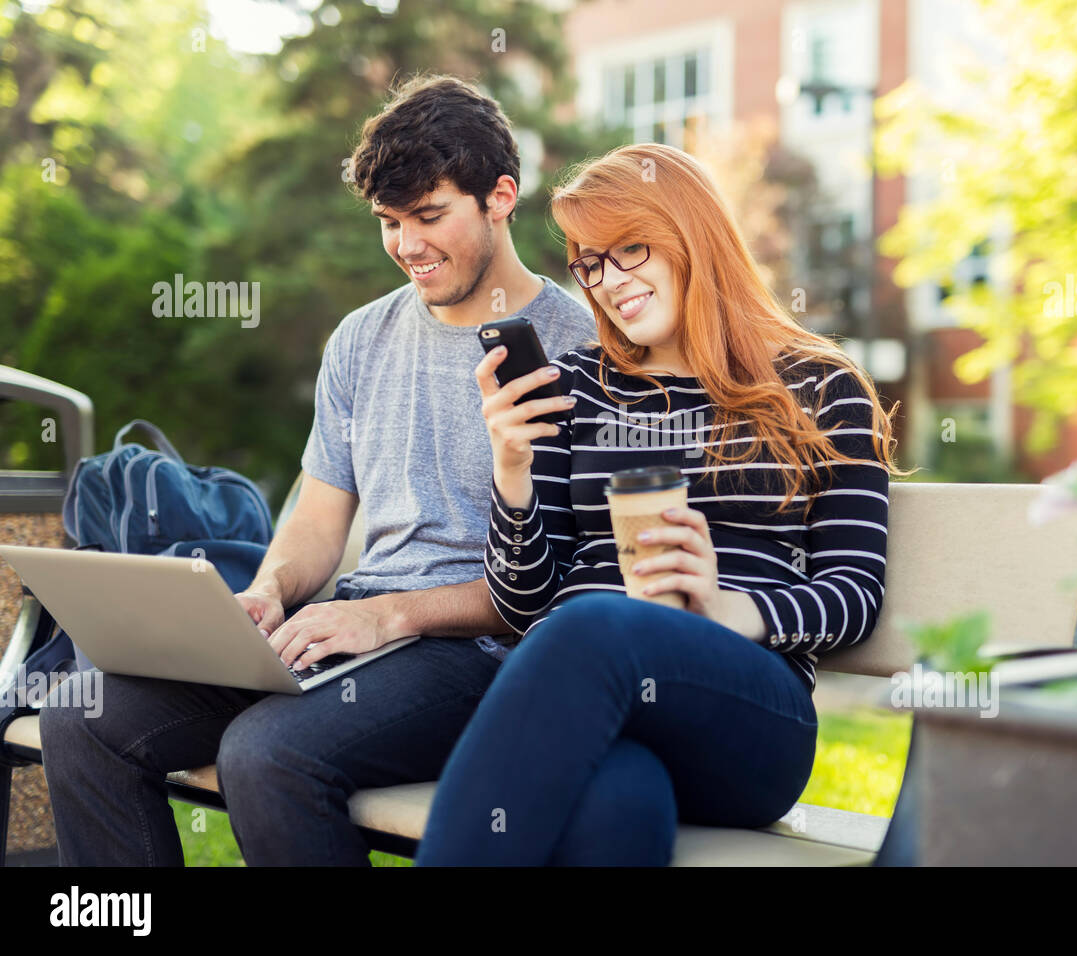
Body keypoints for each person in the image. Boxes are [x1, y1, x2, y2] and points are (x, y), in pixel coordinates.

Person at [38, 74, 595, 866]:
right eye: (388, 222)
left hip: (484, 658)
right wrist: (268, 593)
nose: (407, 245)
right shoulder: (361, 339)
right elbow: (316, 518)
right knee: (78, 719)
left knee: (268, 755)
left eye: (429, 216)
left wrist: (392, 616)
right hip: (351, 635)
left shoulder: (577, 349)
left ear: (500, 196)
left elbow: (566, 586)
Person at [415, 142, 908, 866]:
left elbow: (853, 593)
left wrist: (730, 609)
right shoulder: (574, 386)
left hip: (744, 712)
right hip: (598, 706)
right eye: (589, 262)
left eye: (630, 250)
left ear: (692, 236)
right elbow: (523, 605)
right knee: (617, 804)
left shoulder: (822, 387)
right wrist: (513, 470)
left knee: (592, 627)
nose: (607, 282)